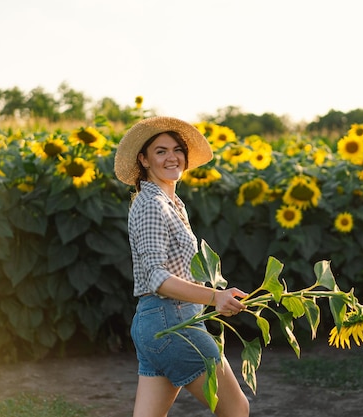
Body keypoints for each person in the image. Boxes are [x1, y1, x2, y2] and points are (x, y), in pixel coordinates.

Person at [114, 116, 250, 417]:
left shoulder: (168, 201)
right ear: (144, 160)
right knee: (236, 410)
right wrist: (215, 297)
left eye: (177, 149)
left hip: (158, 323)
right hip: (171, 321)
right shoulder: (152, 204)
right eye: (160, 151)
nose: (171, 156)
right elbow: (156, 277)